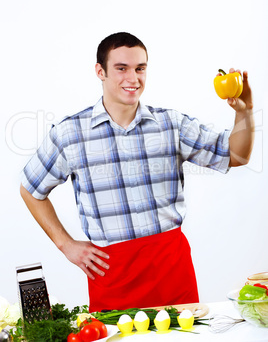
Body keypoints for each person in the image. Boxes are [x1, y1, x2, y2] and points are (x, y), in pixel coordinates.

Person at [20, 32, 254, 311]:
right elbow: (31, 189)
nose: (133, 78)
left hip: (171, 271)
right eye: (122, 68)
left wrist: (244, 111)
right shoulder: (70, 133)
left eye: (140, 68)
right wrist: (65, 244)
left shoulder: (171, 124)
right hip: (112, 276)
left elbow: (236, 155)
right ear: (100, 71)